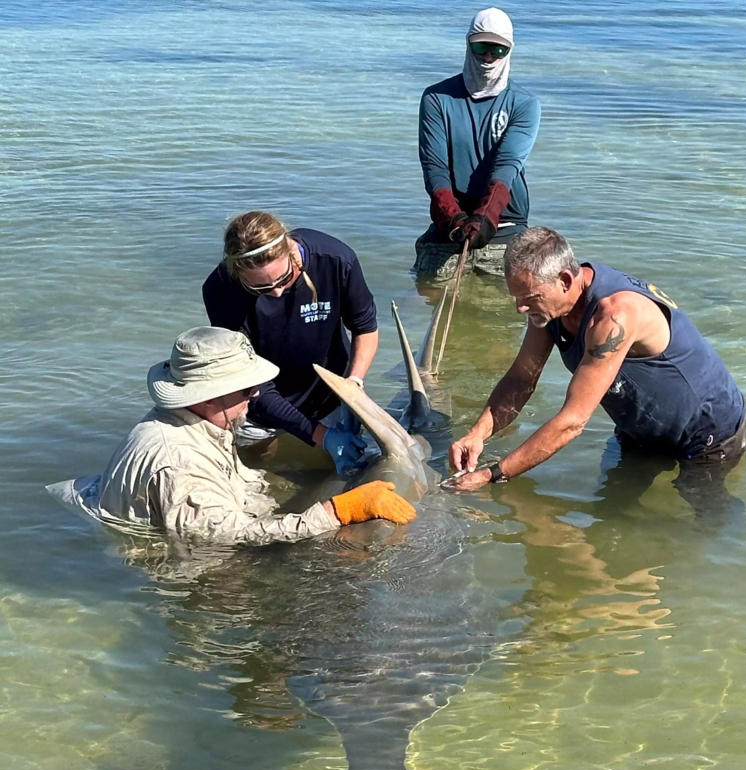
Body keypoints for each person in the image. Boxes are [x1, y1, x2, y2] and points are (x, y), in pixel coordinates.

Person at [447, 227, 746, 506]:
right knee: (612, 511)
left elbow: (573, 421)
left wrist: (493, 475)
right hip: (640, 430)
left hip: (707, 432)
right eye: (517, 297)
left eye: (528, 298)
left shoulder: (616, 315)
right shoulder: (548, 308)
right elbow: (520, 379)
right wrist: (478, 433)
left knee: (707, 519)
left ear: (565, 280)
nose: (520, 308)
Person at [85, 327, 416, 545]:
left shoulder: (200, 422)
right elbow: (225, 536)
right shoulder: (180, 463)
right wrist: (335, 512)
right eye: (246, 388)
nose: (257, 394)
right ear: (207, 397)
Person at [203, 211, 378, 473]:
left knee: (335, 471)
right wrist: (321, 436)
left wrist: (353, 385)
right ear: (238, 273)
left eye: (284, 278)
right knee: (259, 462)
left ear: (289, 249)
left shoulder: (336, 259)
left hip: (329, 394)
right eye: (260, 288)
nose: (276, 291)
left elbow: (365, 328)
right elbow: (253, 385)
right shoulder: (220, 290)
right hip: (256, 402)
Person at [415, 7, 541, 281]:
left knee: (503, 315)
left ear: (509, 51)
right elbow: (434, 168)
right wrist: (454, 218)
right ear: (468, 43)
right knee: (428, 293)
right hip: (451, 223)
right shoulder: (436, 98)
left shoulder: (525, 104)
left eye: (498, 50)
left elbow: (506, 167)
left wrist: (486, 218)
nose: (488, 57)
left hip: (505, 222)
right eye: (481, 46)